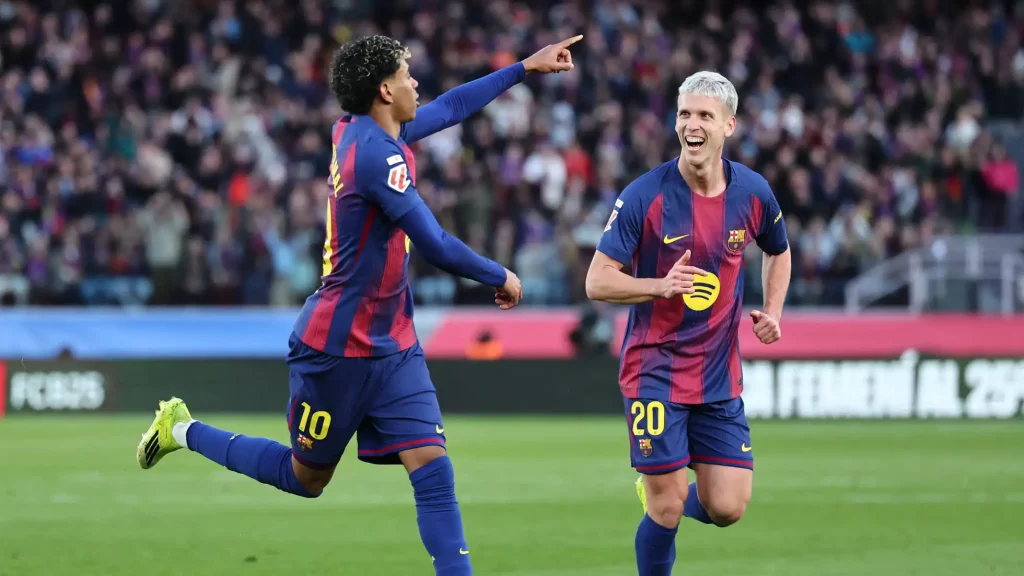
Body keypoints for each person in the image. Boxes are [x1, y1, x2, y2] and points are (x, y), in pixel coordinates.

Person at [135, 33, 581, 576]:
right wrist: (500, 274)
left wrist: (523, 68)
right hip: (336, 348)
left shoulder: (361, 129)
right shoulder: (375, 156)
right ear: (384, 91)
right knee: (305, 479)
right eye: (406, 75)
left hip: (394, 344)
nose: (416, 83)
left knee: (433, 468)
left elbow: (451, 108)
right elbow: (436, 244)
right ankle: (182, 429)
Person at [584, 71, 792, 576]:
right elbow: (597, 281)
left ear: (729, 126)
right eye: (684, 114)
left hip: (718, 375)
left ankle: (663, 488)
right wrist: (660, 286)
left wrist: (773, 311)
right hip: (654, 370)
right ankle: (661, 493)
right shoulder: (645, 195)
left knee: (727, 506)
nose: (691, 125)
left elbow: (779, 251)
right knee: (667, 506)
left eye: (704, 116)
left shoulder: (753, 192)